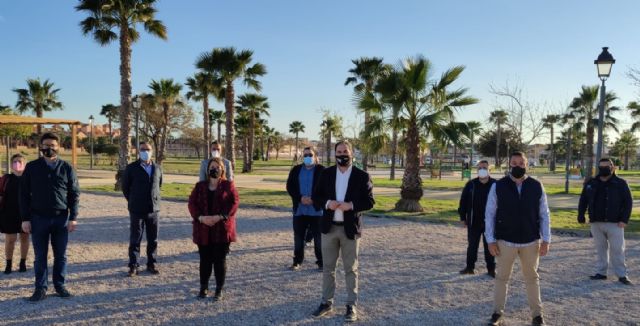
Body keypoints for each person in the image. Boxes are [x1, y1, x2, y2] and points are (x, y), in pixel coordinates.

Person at [311, 141, 375, 323]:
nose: (342, 155)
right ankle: (326, 302)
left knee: (351, 269)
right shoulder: (326, 173)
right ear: (334, 154)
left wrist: (351, 205)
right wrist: (327, 203)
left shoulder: (362, 176)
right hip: (328, 228)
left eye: (345, 151)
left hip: (350, 230)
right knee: (328, 269)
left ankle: (351, 305)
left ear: (352, 154)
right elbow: (316, 196)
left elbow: (370, 201)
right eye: (338, 152)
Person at [485, 151, 550, 326]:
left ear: (526, 165)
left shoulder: (537, 186)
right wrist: (490, 239)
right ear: (509, 165)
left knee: (532, 278)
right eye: (514, 163)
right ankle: (497, 314)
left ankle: (537, 316)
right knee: (501, 278)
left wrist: (546, 239)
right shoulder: (498, 186)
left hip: (531, 241)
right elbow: (489, 214)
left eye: (521, 163)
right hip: (505, 241)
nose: (518, 166)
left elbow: (544, 214)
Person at [20, 133, 79, 302]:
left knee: (61, 255)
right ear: (40, 146)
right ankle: (40, 288)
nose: (49, 148)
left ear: (58, 147)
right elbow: (23, 194)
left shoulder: (66, 168)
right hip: (38, 218)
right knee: (40, 256)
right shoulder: (32, 167)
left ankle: (60, 286)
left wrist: (73, 217)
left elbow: (74, 194)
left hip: (60, 218)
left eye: (53, 145)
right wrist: (25, 218)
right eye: (46, 145)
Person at [188, 157, 239, 301]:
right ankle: (203, 287)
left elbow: (234, 203)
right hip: (203, 228)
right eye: (212, 167)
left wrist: (220, 216)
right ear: (207, 169)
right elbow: (192, 204)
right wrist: (200, 218)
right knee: (205, 260)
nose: (214, 169)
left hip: (221, 229)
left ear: (222, 169)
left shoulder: (228, 186)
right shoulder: (200, 186)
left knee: (219, 260)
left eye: (217, 167)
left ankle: (219, 289)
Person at [578, 158, 632, 285]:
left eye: (607, 167)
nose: (604, 169)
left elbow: (628, 202)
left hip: (615, 223)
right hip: (596, 222)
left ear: (612, 167)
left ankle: (622, 275)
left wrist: (624, 220)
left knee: (617, 249)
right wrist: (581, 215)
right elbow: (583, 199)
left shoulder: (621, 183)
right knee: (600, 249)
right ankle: (601, 273)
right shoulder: (591, 182)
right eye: (601, 167)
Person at [122, 142, 163, 276]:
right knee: (135, 239)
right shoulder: (131, 168)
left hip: (153, 210)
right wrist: (133, 200)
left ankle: (152, 263)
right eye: (143, 149)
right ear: (138, 151)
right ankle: (133, 265)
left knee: (153, 239)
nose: (145, 151)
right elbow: (125, 188)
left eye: (148, 149)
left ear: (152, 151)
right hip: (137, 210)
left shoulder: (157, 168)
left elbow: (159, 185)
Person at [286, 146, 325, 271]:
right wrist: (300, 198)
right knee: (298, 238)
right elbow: (290, 187)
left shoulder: (322, 170)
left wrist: (314, 199)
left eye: (310, 155)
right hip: (300, 210)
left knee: (318, 239)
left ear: (315, 156)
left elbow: (326, 189)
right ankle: (297, 261)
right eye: (305, 155)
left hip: (316, 211)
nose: (308, 157)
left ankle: (321, 262)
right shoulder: (296, 170)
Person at [457, 160, 496, 277]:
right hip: (473, 221)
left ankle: (491, 269)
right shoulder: (471, 184)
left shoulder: (495, 184)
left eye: (484, 168)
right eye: (479, 168)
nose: (482, 170)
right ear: (477, 170)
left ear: (489, 170)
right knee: (472, 245)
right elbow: (463, 201)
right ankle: (469, 267)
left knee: (490, 245)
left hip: (490, 223)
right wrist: (462, 217)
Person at [0, 154, 30, 274]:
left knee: (24, 238)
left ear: (25, 164)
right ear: (11, 164)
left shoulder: (29, 179)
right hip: (8, 213)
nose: (17, 163)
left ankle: (22, 262)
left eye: (20, 161)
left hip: (25, 214)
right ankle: (9, 263)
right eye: (15, 161)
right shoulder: (6, 179)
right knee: (10, 239)